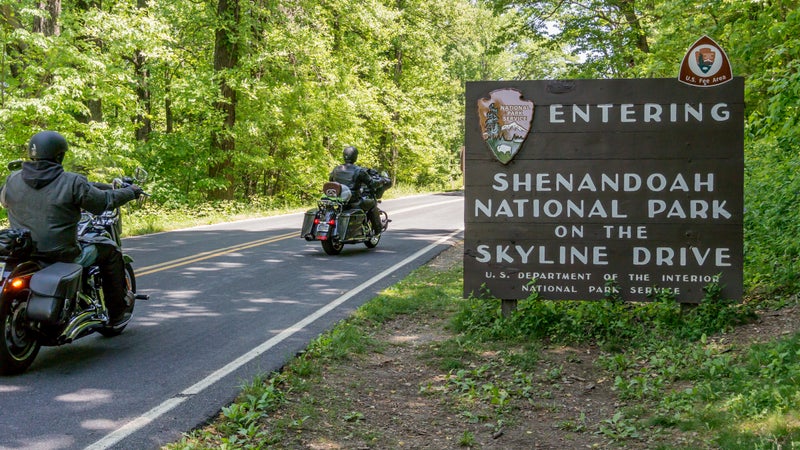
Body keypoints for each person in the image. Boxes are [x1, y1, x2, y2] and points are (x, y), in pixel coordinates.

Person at [0, 130, 143, 326]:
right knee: (109, 250)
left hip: (23, 252)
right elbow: (103, 202)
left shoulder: (13, 180)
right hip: (61, 254)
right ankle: (117, 311)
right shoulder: (72, 182)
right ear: (59, 155)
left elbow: (5, 201)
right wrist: (131, 192)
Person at [329, 145, 383, 234]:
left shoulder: (336, 169)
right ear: (355, 156)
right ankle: (378, 229)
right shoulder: (359, 170)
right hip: (354, 200)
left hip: (338, 200)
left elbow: (331, 180)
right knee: (373, 203)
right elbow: (371, 183)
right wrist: (380, 181)